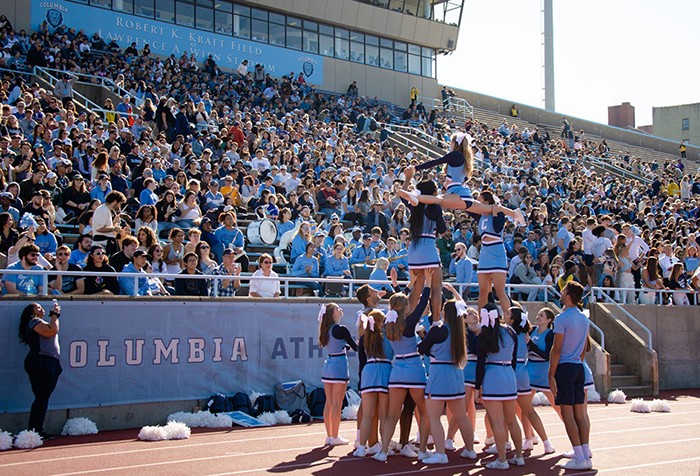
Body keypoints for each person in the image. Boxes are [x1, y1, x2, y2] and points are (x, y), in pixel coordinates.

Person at [398, 133, 524, 225]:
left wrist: (416, 168)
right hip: (464, 197)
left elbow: (437, 161)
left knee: (439, 200)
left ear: (455, 143)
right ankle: (514, 214)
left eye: (451, 143)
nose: (449, 145)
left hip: (458, 194)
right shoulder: (463, 159)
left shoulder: (456, 155)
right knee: (489, 209)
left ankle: (416, 196)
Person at [374, 278, 433, 462]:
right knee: (424, 411)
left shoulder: (388, 323)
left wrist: (404, 288)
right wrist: (428, 284)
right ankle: (422, 449)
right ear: (404, 306)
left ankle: (383, 451)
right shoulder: (408, 323)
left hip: (397, 370)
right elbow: (423, 302)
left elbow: (398, 302)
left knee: (392, 414)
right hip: (414, 369)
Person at [417, 296, 477, 465]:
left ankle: (441, 453)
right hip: (456, 375)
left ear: (446, 313)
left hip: (439, 375)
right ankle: (470, 450)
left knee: (434, 417)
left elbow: (422, 348)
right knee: (461, 416)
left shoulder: (439, 330)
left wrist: (421, 334)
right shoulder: (460, 332)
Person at [474, 302, 524, 470]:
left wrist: (477, 387)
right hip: (509, 375)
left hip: (493, 376)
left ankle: (502, 459)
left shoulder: (484, 335)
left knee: (497, 421)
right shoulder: (511, 331)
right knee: (512, 420)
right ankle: (519, 456)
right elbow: (514, 359)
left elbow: (480, 364)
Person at [548, 281, 592, 471]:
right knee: (579, 412)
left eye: (564, 289)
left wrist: (551, 375)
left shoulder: (561, 318)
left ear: (568, 296)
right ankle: (584, 452)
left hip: (565, 367)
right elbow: (583, 348)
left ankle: (580, 457)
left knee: (568, 413)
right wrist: (577, 360)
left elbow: (556, 349)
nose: (561, 291)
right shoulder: (584, 318)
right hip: (577, 366)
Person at [506, 307, 554, 454]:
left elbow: (547, 355)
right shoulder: (527, 332)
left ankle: (506, 443)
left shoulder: (510, 333)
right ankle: (540, 441)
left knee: (509, 410)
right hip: (526, 372)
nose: (504, 315)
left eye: (507, 313)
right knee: (524, 410)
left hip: (520, 372)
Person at [19, 300, 62, 438]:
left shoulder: (40, 322)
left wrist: (54, 316)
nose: (41, 309)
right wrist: (55, 315)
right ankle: (35, 430)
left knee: (43, 397)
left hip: (49, 361)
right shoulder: (33, 322)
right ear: (31, 312)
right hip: (41, 361)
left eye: (41, 307)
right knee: (41, 397)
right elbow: (51, 331)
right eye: (37, 308)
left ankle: (36, 429)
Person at [353, 309, 393, 458]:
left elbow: (362, 359)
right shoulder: (389, 336)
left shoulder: (364, 337)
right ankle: (384, 448)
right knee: (384, 415)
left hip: (368, 372)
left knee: (368, 415)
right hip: (385, 371)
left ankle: (362, 448)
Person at [319, 302, 358, 446]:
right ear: (332, 313)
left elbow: (340, 346)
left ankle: (329, 436)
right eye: (337, 308)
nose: (340, 309)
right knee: (337, 403)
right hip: (339, 366)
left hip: (328, 365)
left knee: (329, 402)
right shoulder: (341, 329)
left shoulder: (326, 329)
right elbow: (356, 347)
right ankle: (335, 436)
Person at [92, 191, 126, 255]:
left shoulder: (107, 210)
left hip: (108, 243)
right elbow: (99, 228)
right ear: (115, 201)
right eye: (119, 203)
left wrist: (115, 222)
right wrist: (114, 228)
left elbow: (106, 227)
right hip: (103, 244)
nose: (119, 206)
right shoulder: (102, 210)